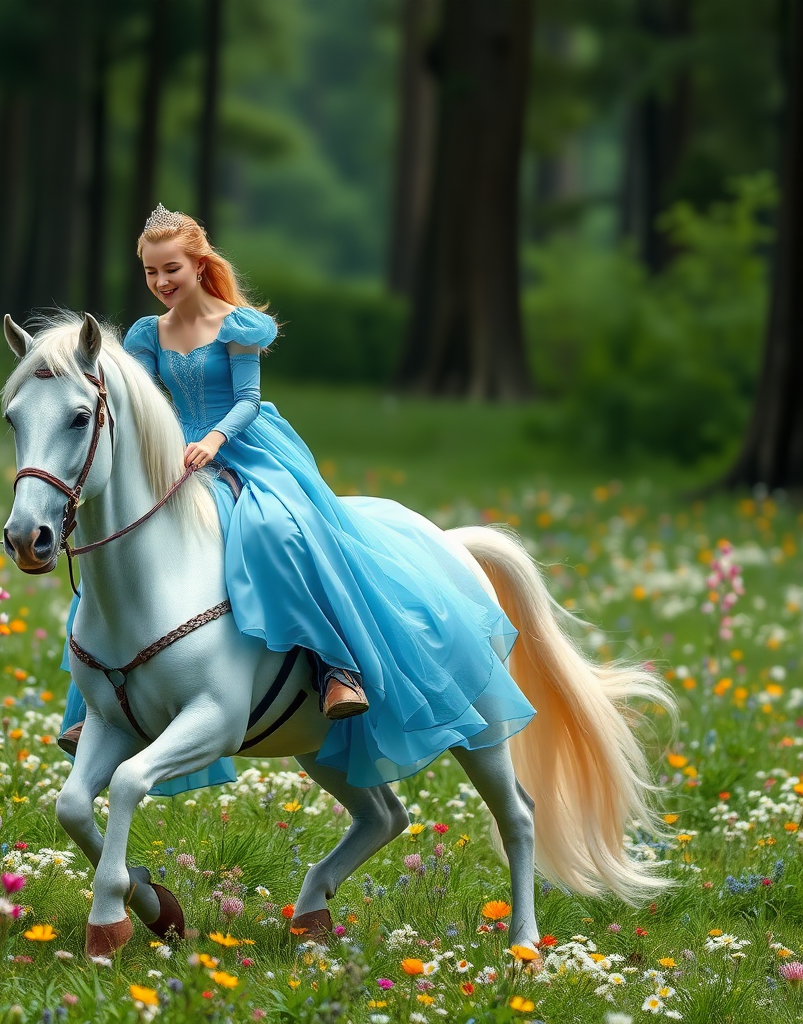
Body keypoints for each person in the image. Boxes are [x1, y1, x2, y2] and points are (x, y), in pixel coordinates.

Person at [57, 204, 534, 789]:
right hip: (172, 460)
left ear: (199, 263)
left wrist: (212, 440)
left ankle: (337, 665)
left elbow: (248, 399)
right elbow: (146, 401)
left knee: (277, 531)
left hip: (243, 448)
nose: (160, 284)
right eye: (151, 274)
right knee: (115, 550)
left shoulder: (236, 325)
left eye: (171, 270)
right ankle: (91, 708)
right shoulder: (145, 335)